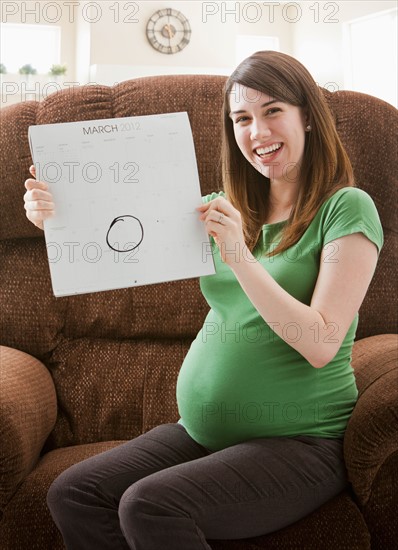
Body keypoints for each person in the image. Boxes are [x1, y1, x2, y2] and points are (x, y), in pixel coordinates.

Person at [23, 51, 383, 549]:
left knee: (150, 505)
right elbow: (122, 242)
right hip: (202, 432)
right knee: (75, 493)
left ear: (308, 117)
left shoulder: (345, 208)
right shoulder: (226, 206)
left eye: (273, 111)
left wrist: (238, 256)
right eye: (242, 118)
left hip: (301, 443)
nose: (257, 132)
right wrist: (57, 221)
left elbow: (320, 341)